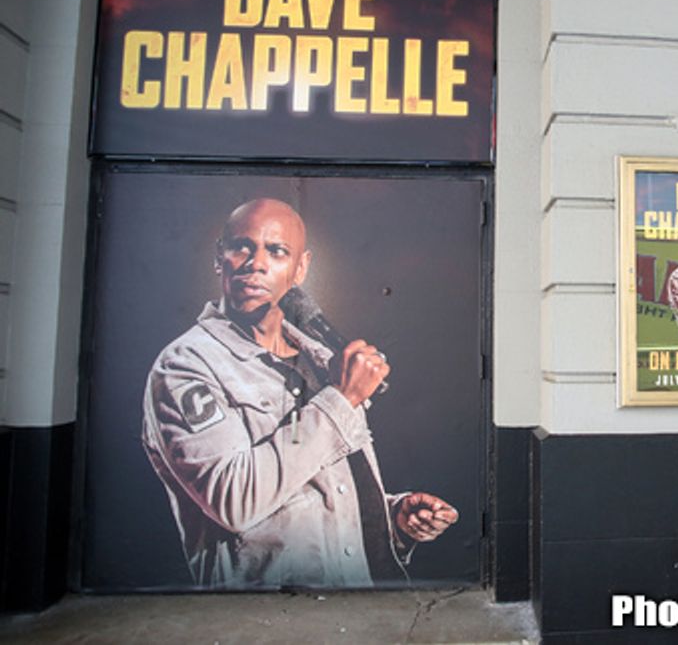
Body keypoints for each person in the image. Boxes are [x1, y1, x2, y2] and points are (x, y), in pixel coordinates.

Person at [142, 198, 457, 588]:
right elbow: (235, 499)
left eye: (276, 251)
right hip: (268, 618)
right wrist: (339, 401)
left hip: (355, 601)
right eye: (242, 246)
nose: (256, 263)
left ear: (300, 268)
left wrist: (390, 520)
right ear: (218, 257)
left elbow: (312, 487)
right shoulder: (187, 366)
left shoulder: (320, 360)